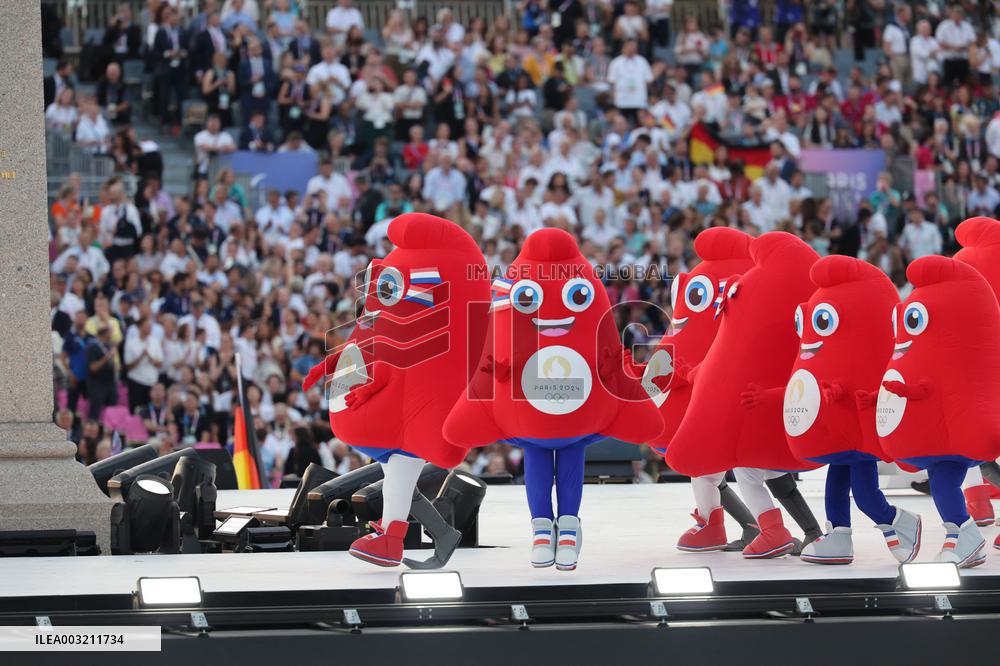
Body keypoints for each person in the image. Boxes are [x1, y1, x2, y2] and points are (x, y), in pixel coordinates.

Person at [124, 317, 163, 411]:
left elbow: (160, 363)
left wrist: (150, 358)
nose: (149, 329)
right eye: (147, 326)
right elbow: (128, 366)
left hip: (151, 382)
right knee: (135, 410)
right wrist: (140, 357)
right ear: (140, 327)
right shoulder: (131, 343)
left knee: (149, 411)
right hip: (136, 381)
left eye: (150, 326)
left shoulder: (155, 342)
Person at [85, 324, 118, 421]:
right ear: (105, 333)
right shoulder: (92, 347)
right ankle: (91, 434)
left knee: (111, 413)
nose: (111, 334)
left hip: (110, 384)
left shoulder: (107, 345)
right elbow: (93, 367)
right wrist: (108, 356)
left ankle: (110, 434)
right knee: (95, 413)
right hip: (97, 386)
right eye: (110, 332)